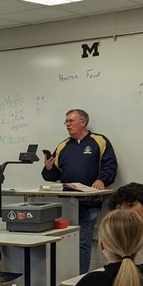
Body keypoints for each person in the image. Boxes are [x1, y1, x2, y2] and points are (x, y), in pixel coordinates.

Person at [41, 109, 118, 275]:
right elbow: (53, 176)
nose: (67, 125)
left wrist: (102, 180)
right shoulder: (63, 146)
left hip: (89, 203)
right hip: (66, 203)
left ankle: (80, 278)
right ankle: (63, 277)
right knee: (63, 241)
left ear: (83, 122)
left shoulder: (99, 141)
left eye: (71, 121)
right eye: (66, 122)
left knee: (83, 242)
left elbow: (110, 165)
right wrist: (48, 169)